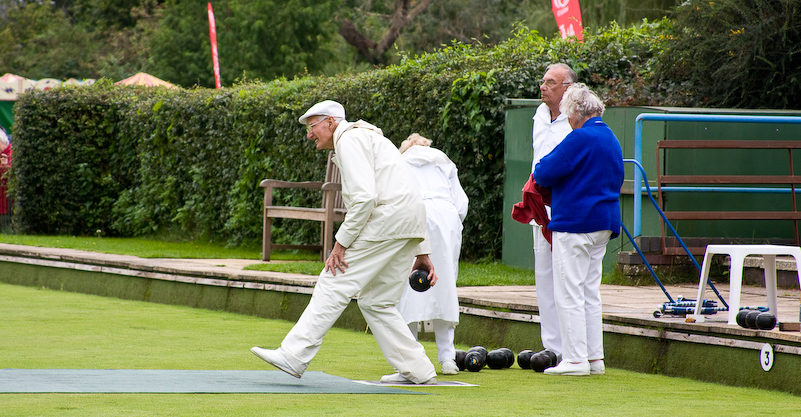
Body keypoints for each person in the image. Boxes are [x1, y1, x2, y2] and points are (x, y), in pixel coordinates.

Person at [251, 100, 440, 385]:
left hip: (386, 221)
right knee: (377, 301)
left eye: (311, 126)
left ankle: (294, 354)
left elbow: (365, 198)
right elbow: (408, 192)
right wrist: (422, 250)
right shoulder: (367, 138)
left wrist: (340, 244)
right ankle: (418, 370)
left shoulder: (350, 139)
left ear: (330, 122)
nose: (308, 134)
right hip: (406, 224)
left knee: (333, 279)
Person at [532, 83, 624, 376]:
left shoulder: (580, 137)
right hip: (604, 221)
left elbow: (544, 170)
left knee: (568, 291)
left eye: (567, 114)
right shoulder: (609, 136)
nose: (567, 120)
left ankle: (574, 359)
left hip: (576, 221)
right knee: (588, 291)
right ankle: (594, 358)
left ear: (575, 112)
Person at [396, 133, 468, 375]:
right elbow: (461, 204)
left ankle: (411, 357)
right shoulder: (443, 160)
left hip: (415, 214)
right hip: (446, 215)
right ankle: (447, 358)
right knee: (445, 286)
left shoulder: (400, 161)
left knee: (409, 286)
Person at [529, 63, 577, 362]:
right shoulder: (539, 114)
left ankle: (571, 350)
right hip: (538, 207)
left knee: (566, 279)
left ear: (567, 88)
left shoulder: (576, 119)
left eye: (550, 82)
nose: (543, 87)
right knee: (544, 277)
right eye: (542, 81)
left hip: (565, 208)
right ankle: (552, 348)